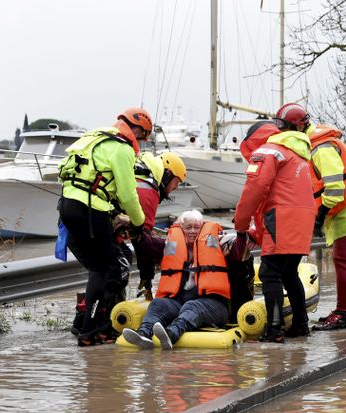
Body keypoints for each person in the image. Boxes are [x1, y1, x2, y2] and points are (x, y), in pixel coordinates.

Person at [274, 103, 346, 331]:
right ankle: (343, 310)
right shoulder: (313, 143)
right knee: (341, 258)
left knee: (341, 259)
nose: (283, 133)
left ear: (299, 126)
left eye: (286, 128)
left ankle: (343, 314)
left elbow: (335, 188)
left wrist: (320, 215)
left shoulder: (320, 148)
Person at [58, 107, 152, 346]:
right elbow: (129, 195)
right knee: (105, 270)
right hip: (91, 210)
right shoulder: (122, 148)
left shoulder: (94, 137)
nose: (141, 141)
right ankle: (90, 333)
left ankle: (97, 328)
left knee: (101, 269)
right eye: (143, 136)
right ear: (138, 129)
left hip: (67, 205)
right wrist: (139, 224)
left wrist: (112, 211)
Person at [234, 119, 315, 343]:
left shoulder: (267, 151)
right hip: (302, 218)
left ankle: (274, 329)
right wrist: (257, 233)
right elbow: (282, 195)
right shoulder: (295, 153)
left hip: (282, 218)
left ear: (251, 141)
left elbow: (254, 190)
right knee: (289, 272)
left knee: (270, 273)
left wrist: (240, 224)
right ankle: (301, 324)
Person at [121, 210, 243, 350]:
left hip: (214, 305)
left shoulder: (218, 242)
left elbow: (238, 250)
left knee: (192, 306)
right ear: (181, 228)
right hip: (180, 302)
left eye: (196, 227)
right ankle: (144, 334)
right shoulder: (171, 244)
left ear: (202, 227)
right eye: (188, 227)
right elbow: (148, 245)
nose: (192, 231)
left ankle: (171, 334)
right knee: (158, 304)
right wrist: (135, 231)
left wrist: (243, 233)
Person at [130, 150, 188, 300]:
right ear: (168, 173)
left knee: (115, 264)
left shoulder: (141, 178)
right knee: (115, 269)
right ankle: (99, 320)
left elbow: (139, 236)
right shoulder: (147, 189)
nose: (175, 187)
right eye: (176, 181)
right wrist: (173, 248)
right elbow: (143, 242)